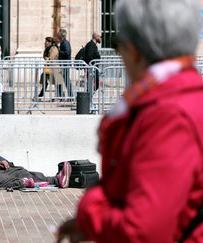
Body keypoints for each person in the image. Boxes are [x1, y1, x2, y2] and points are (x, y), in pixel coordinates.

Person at [57, 0, 203, 242]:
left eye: (118, 44)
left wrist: (89, 207)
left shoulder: (167, 116)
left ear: (133, 49)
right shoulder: (185, 96)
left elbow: (144, 230)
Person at [57, 28, 72, 97]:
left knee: (66, 80)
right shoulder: (62, 42)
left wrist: (59, 51)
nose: (57, 35)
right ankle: (61, 95)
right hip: (62, 65)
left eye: (58, 34)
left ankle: (70, 95)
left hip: (65, 65)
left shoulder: (65, 42)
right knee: (60, 80)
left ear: (61, 35)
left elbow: (67, 52)